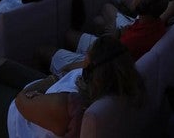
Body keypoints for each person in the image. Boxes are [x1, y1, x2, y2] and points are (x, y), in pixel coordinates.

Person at [11, 36, 144, 138]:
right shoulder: (118, 89)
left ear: (91, 70)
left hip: (17, 118)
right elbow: (70, 69)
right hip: (46, 90)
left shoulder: (67, 106)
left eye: (88, 53)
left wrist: (51, 79)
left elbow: (20, 99)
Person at [47, 0, 168, 76]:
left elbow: (97, 61)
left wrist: (69, 68)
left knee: (44, 51)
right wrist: (118, 34)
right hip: (109, 48)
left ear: (143, 6)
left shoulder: (132, 41)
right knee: (74, 32)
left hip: (100, 61)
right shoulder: (155, 24)